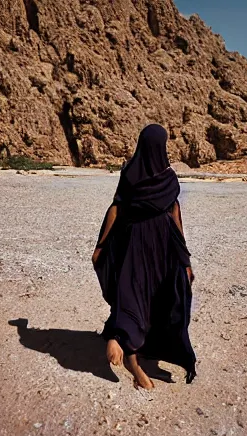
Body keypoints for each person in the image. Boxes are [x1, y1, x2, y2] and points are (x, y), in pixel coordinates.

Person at [92, 124, 196, 390]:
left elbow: (117, 208)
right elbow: (174, 217)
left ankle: (135, 344)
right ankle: (129, 355)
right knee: (136, 296)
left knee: (151, 297)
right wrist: (184, 259)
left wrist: (102, 245)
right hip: (149, 246)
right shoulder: (167, 178)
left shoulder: (133, 173)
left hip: (145, 245)